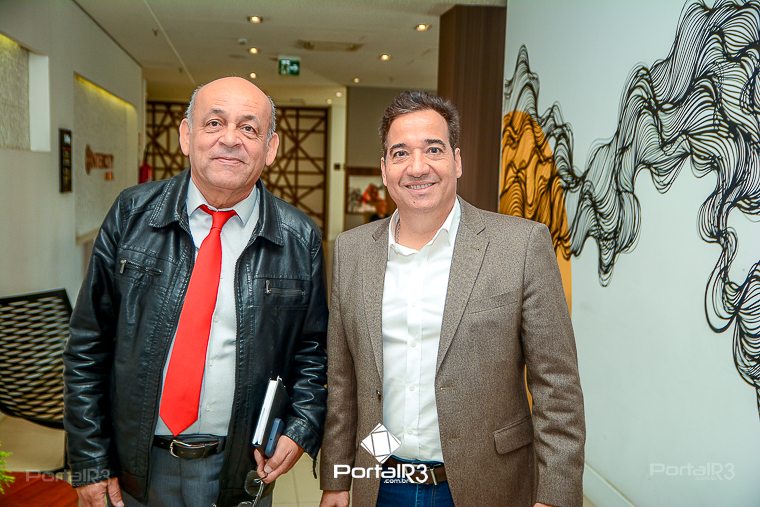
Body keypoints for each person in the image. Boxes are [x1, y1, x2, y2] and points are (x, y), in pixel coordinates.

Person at [64, 77, 328, 507]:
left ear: (271, 148)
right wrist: (90, 459)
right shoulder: (132, 214)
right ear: (186, 135)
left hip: (241, 468)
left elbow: (314, 351)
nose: (231, 139)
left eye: (248, 128)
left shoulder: (299, 238)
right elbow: (87, 344)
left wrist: (301, 428)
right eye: (214, 123)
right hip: (135, 466)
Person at [319, 91, 585, 507]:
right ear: (385, 169)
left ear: (457, 161)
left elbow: (557, 387)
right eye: (401, 153)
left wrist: (555, 496)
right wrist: (336, 480)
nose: (417, 167)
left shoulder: (520, 245)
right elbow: (343, 381)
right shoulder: (352, 251)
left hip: (488, 483)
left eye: (434, 149)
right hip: (382, 483)